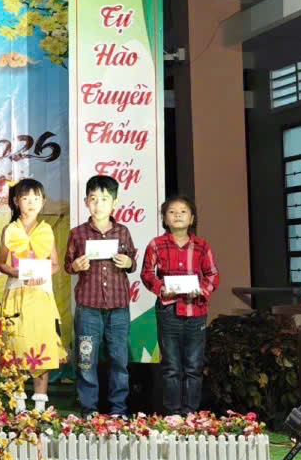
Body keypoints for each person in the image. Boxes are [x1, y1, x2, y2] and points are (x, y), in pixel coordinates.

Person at [65, 174, 138, 416]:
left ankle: (118, 410)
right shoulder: (77, 233)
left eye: (105, 199)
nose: (99, 204)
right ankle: (89, 410)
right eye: (93, 199)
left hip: (118, 307)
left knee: (120, 360)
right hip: (88, 307)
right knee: (86, 360)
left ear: (114, 203)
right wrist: (76, 265)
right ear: (86, 202)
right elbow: (68, 265)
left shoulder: (123, 232)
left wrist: (128, 262)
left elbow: (132, 262)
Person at [141, 195, 219, 415]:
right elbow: (147, 273)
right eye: (172, 212)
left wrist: (202, 290)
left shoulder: (202, 246)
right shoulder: (156, 244)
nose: (178, 215)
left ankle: (190, 412)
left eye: (183, 212)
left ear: (192, 218)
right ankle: (173, 413)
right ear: (165, 219)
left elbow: (213, 275)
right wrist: (162, 289)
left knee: (194, 366)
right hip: (168, 311)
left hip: (196, 311)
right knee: (171, 366)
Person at [0, 178, 67, 413]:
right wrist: (17, 272)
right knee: (16, 344)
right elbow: (0, 263)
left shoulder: (46, 230)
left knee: (41, 345)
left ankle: (39, 406)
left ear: (43, 202)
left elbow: (55, 264)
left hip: (41, 294)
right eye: (25, 198)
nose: (31, 203)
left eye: (36, 198)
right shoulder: (10, 230)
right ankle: (18, 405)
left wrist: (41, 274)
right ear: (16, 201)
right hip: (16, 293)